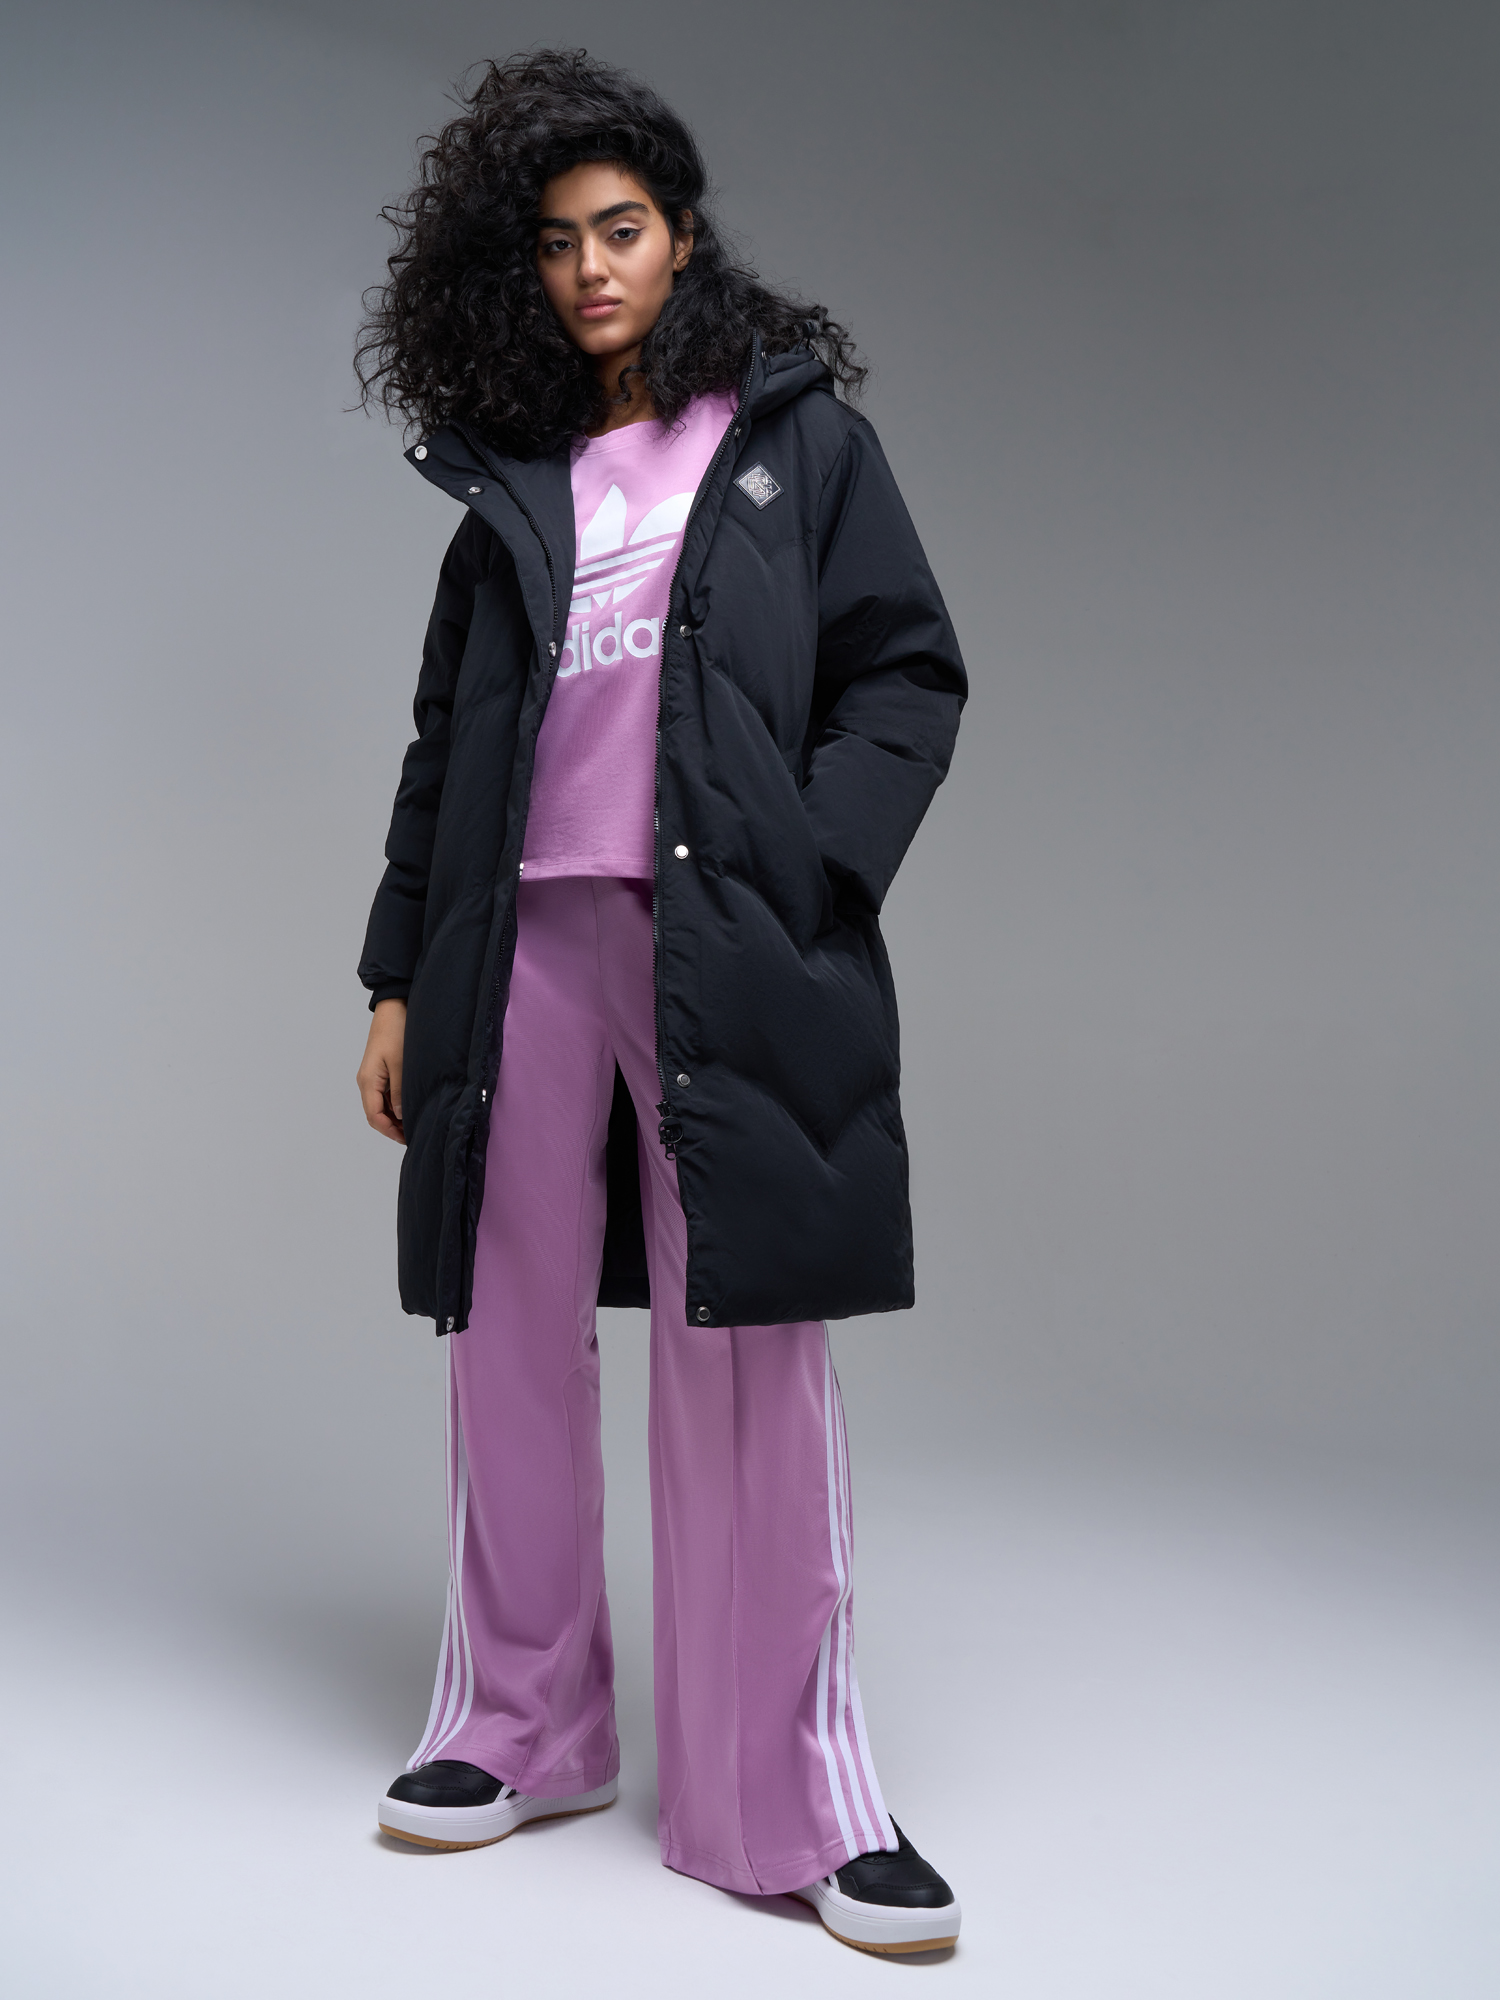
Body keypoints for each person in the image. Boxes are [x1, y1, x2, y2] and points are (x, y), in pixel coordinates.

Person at [353, 49, 967, 1957]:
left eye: (619, 229)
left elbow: (907, 674)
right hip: (514, 944)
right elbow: (446, 745)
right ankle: (520, 1728)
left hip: (719, 936)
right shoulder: (511, 487)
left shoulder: (790, 443)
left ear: (683, 237)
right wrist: (394, 975)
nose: (591, 268)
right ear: (518, 271)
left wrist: (810, 864)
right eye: (555, 243)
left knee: (747, 1337)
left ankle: (794, 1798)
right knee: (503, 1328)